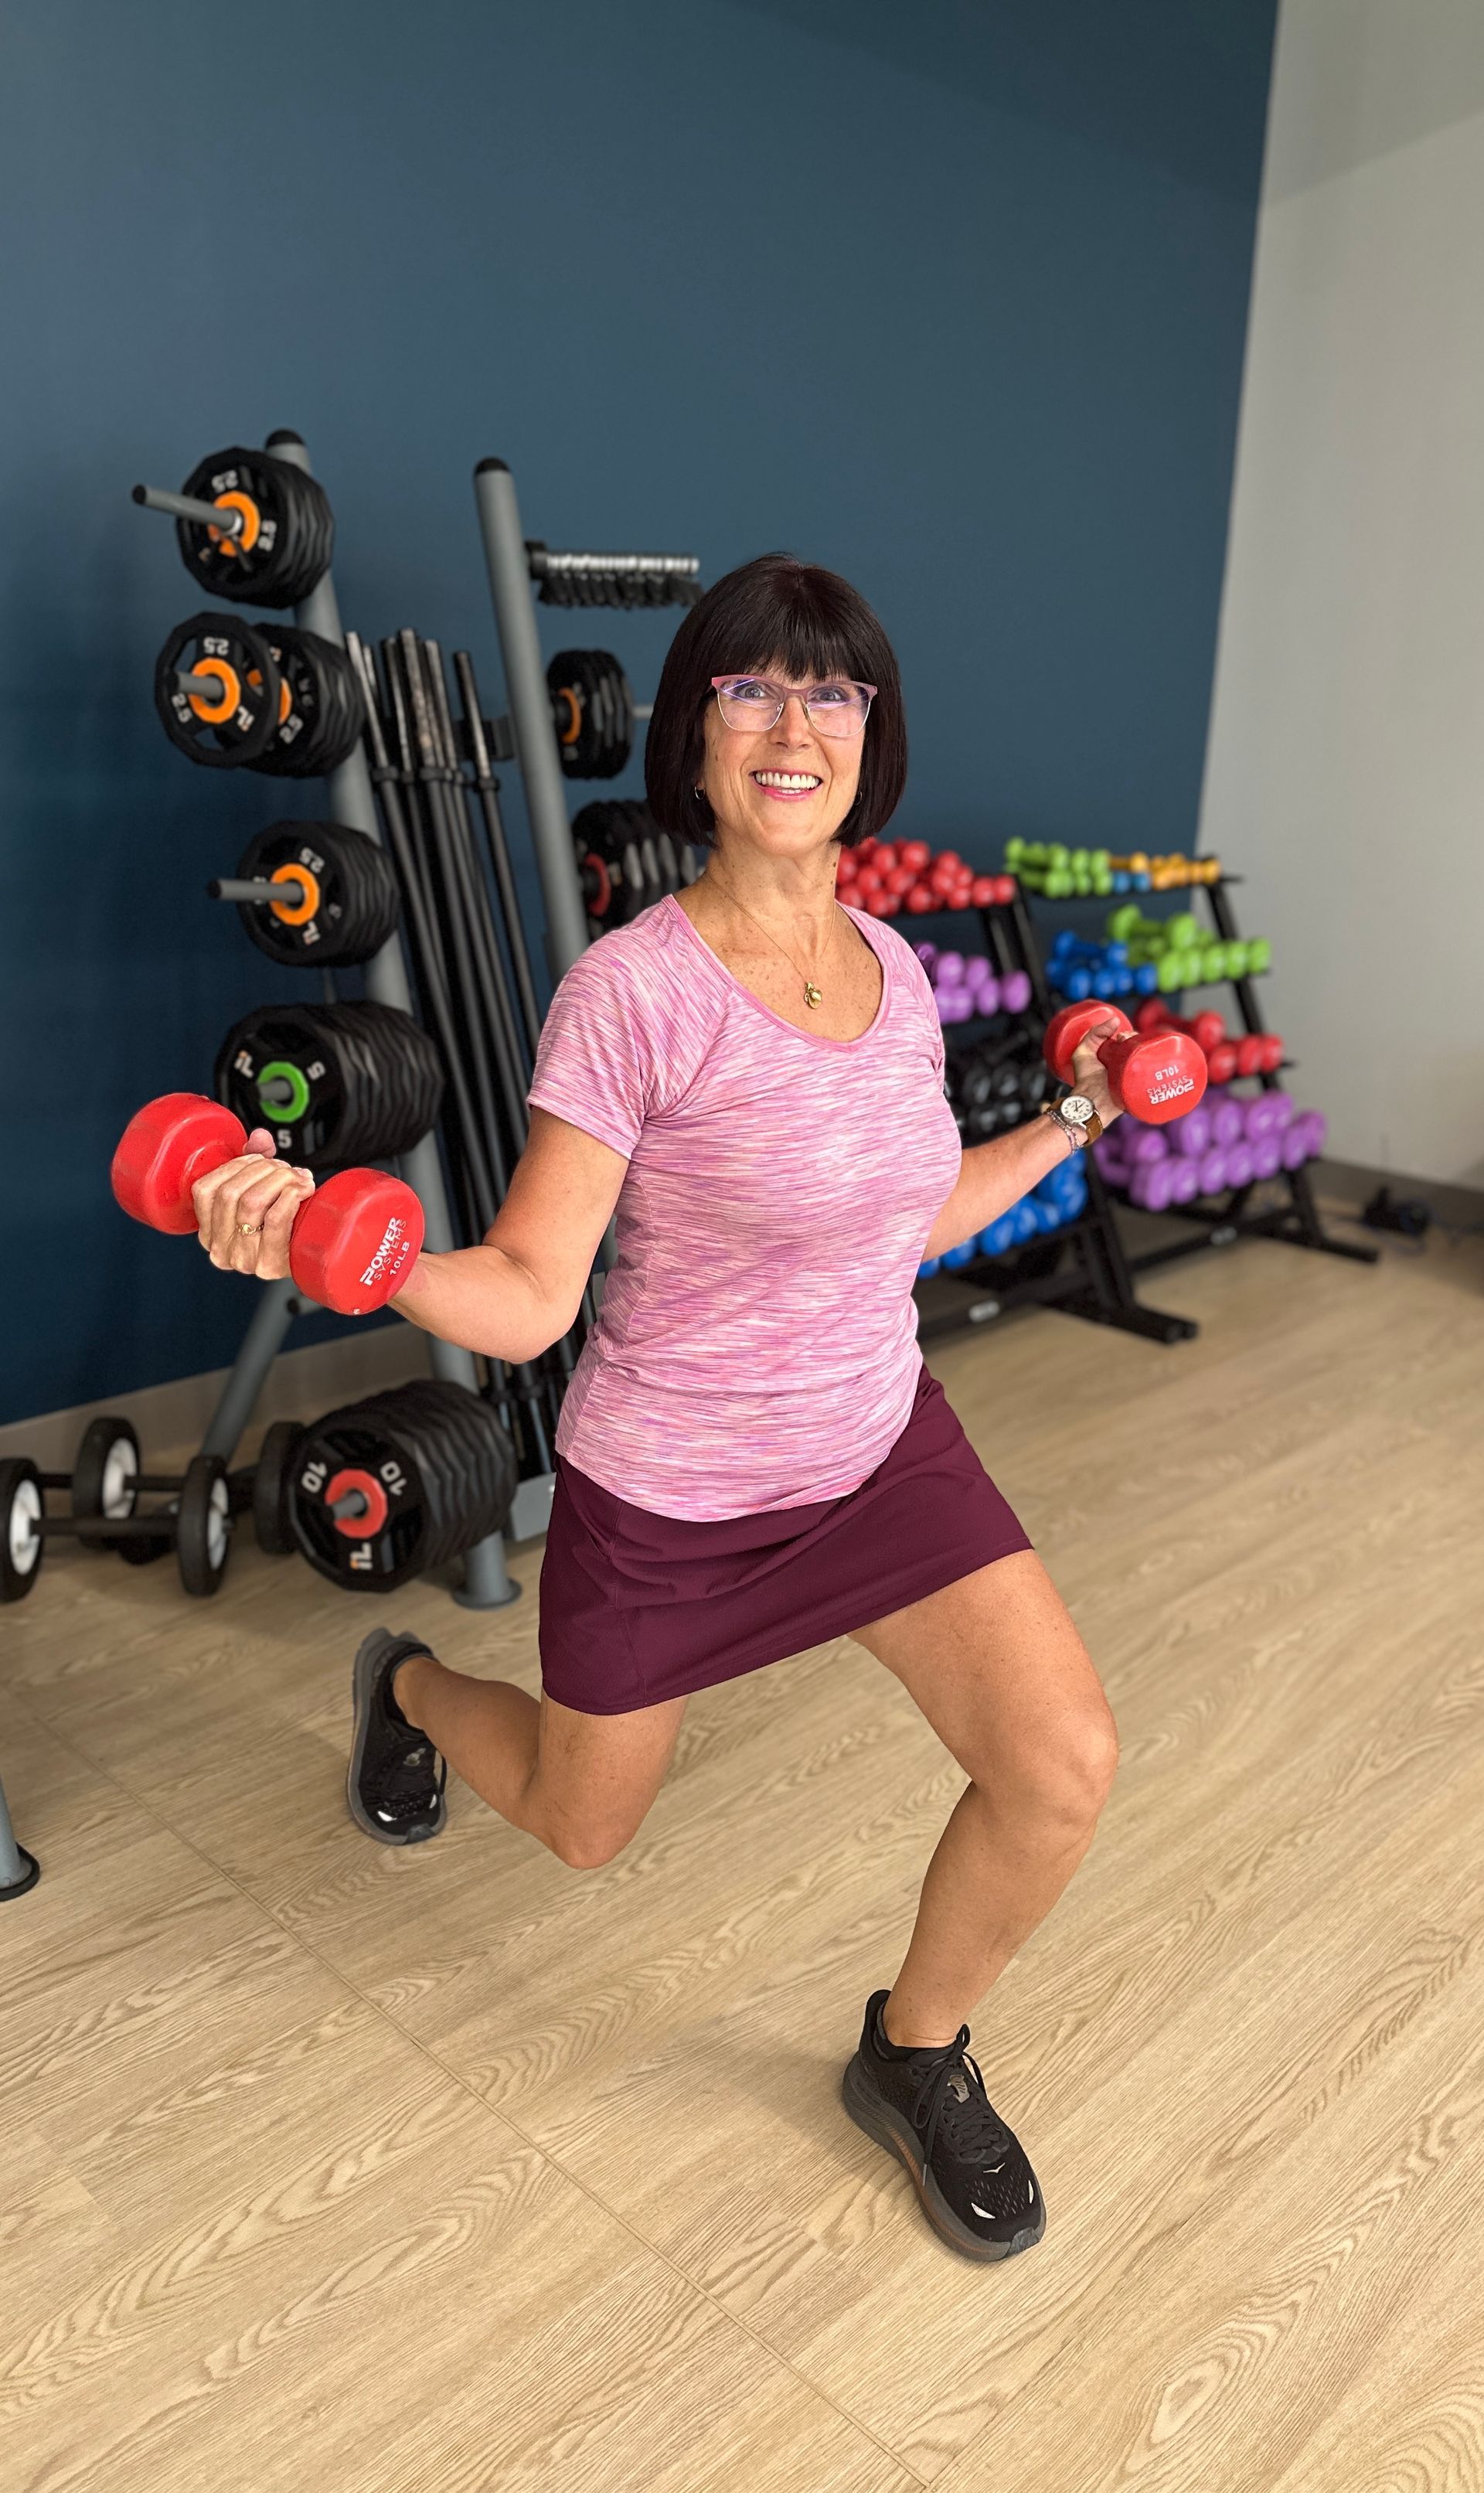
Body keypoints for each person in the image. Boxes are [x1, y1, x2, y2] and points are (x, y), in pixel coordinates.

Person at [189, 553, 1122, 2266]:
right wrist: (352, 1249)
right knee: (581, 1824)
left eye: (830, 692)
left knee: (1061, 1766)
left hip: (876, 1454)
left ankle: (913, 2051)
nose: (792, 727)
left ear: (872, 737)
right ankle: (405, 1682)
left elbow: (904, 1221)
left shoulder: (901, 974)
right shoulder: (632, 992)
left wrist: (1072, 1119)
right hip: (676, 1495)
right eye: (750, 690)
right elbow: (533, 1292)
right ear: (694, 736)